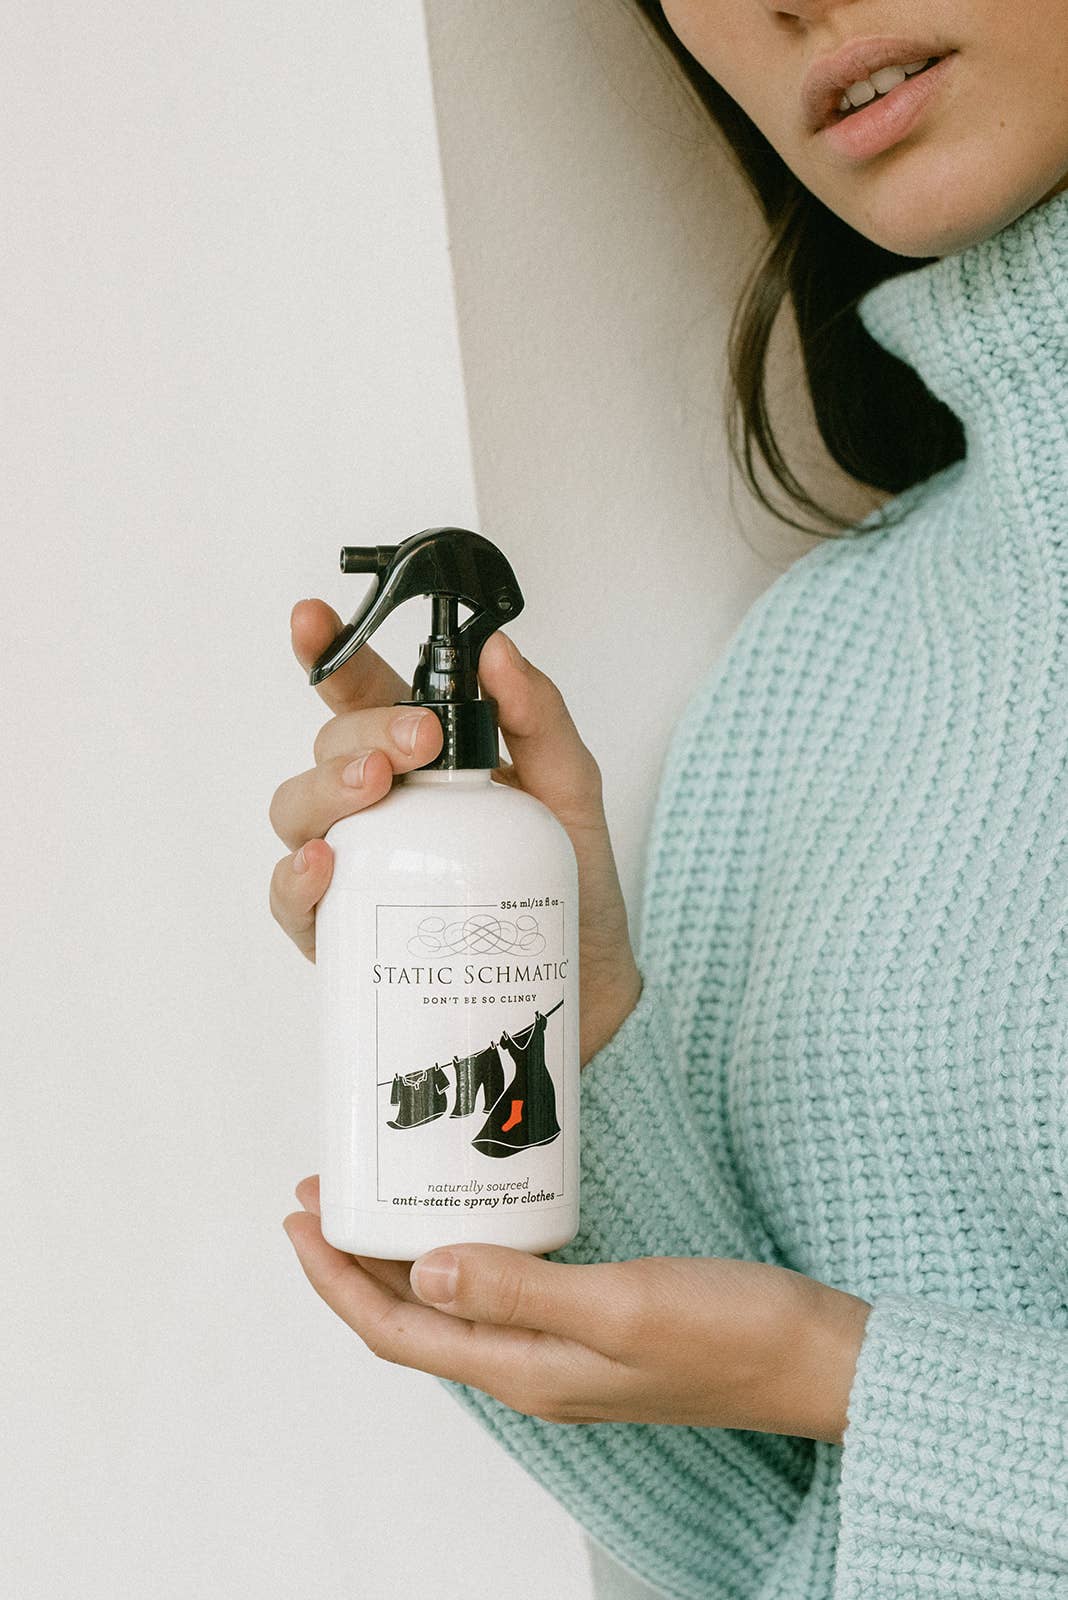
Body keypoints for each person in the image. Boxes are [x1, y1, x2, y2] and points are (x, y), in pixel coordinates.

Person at [269, 3, 1068, 1595]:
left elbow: (842, 1413)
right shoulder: (809, 677)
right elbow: (777, 1543)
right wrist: (583, 1056)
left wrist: (852, 1376)